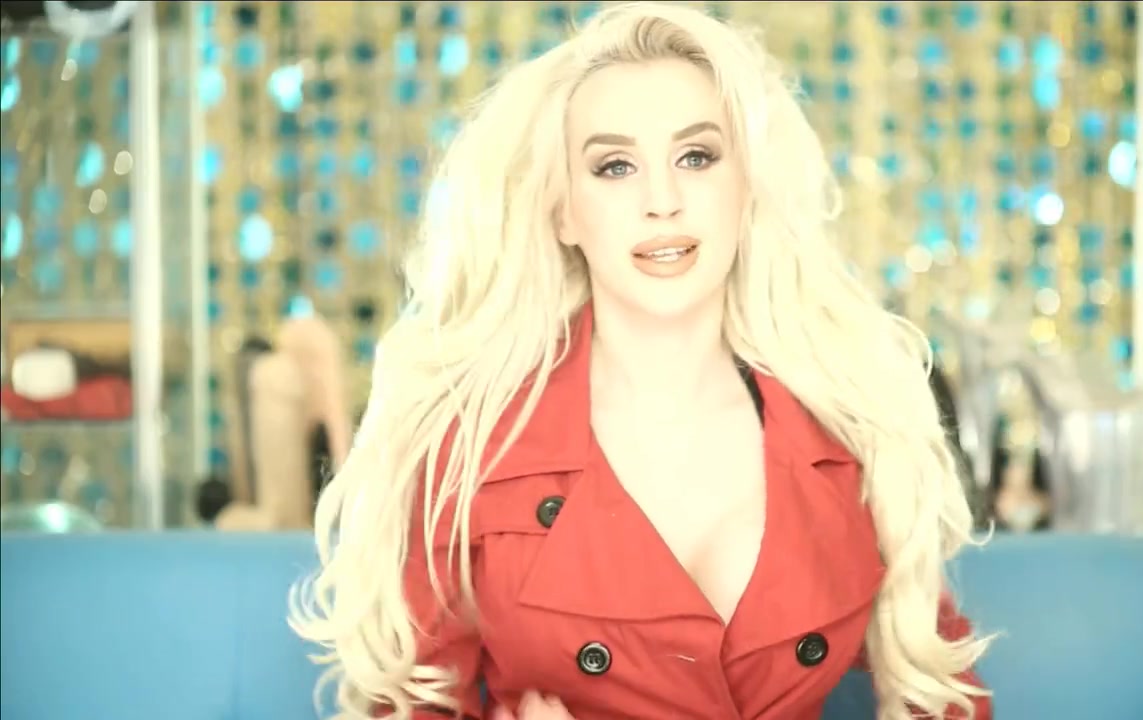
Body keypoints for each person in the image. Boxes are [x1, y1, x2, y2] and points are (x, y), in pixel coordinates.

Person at [290, 3, 993, 719]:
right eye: (615, 166)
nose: (662, 201)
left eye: (697, 157)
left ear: (746, 189)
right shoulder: (468, 447)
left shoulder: (853, 426)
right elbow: (406, 704)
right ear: (563, 211)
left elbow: (943, 695)